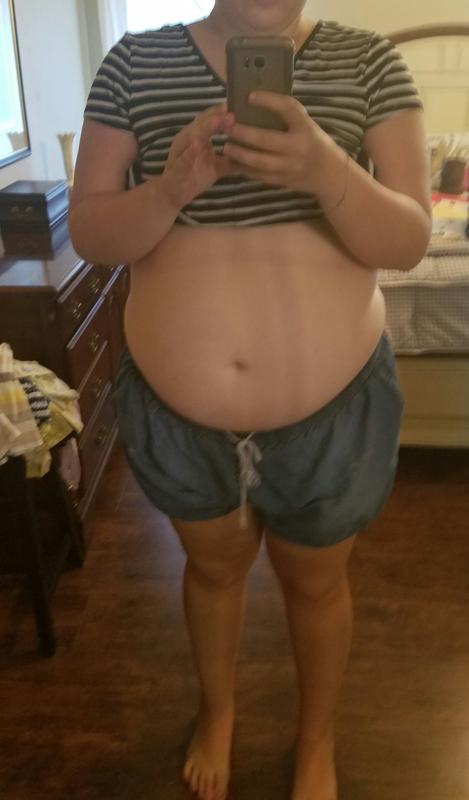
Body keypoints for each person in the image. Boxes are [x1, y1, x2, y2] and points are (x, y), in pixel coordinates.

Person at [69, 2, 431, 799]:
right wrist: (172, 188)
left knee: (316, 584)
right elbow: (92, 233)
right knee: (211, 571)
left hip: (332, 412)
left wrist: (327, 172)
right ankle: (218, 713)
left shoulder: (370, 63)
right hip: (180, 416)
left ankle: (315, 741)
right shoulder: (132, 65)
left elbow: (407, 241)